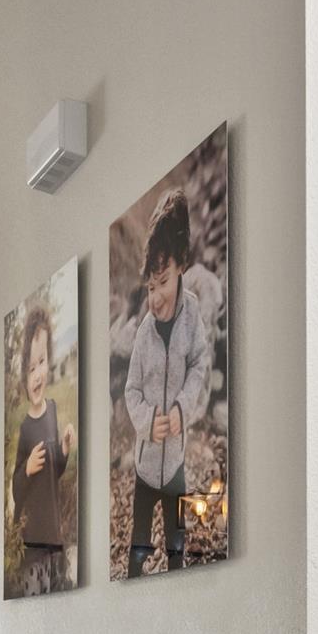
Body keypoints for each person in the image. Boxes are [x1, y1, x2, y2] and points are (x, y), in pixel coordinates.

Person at [120, 190, 210, 575]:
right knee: (139, 543)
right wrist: (146, 420)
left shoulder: (193, 319)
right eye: (150, 287)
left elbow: (199, 365)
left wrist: (180, 409)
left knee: (176, 541)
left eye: (163, 282)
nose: (155, 297)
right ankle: (134, 575)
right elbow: (131, 390)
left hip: (174, 462)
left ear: (181, 267)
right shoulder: (143, 333)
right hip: (144, 465)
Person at [10, 303, 76, 592]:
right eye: (31, 367)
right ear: (24, 373)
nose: (38, 374)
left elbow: (55, 472)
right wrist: (26, 469)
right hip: (33, 538)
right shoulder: (25, 429)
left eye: (42, 362)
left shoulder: (52, 410)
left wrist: (62, 449)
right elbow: (15, 486)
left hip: (54, 533)